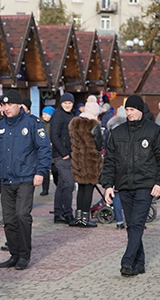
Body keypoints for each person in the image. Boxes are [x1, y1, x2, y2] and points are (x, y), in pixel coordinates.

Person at [99, 94, 160, 277]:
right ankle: (139, 263)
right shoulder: (117, 132)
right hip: (124, 185)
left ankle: (127, 261)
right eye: (127, 110)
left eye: (132, 110)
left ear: (140, 110)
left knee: (137, 223)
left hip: (146, 185)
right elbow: (110, 161)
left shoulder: (154, 131)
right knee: (132, 225)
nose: (129, 113)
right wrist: (108, 185)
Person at [0, 89, 52, 270]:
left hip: (25, 178)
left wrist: (40, 172)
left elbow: (44, 149)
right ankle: (14, 254)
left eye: (9, 105)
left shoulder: (32, 123)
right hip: (6, 180)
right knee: (9, 219)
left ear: (19, 106)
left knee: (22, 215)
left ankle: (24, 255)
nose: (5, 108)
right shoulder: (0, 126)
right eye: (3, 105)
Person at [68, 95, 102, 227]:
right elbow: (99, 144)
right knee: (88, 189)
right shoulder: (94, 125)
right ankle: (85, 218)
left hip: (77, 160)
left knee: (81, 189)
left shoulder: (74, 123)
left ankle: (78, 217)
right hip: (90, 160)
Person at [50, 92, 75, 224]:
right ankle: (68, 213)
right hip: (61, 155)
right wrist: (64, 153)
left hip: (68, 154)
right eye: (65, 103)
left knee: (61, 185)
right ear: (61, 103)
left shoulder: (70, 115)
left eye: (69, 103)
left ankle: (58, 213)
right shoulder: (58, 115)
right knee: (69, 185)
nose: (67, 105)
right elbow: (54, 135)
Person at [106, 106, 127, 229]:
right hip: (128, 166)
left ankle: (119, 221)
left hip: (115, 165)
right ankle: (131, 220)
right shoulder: (129, 130)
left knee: (117, 193)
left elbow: (106, 147)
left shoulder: (111, 130)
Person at [40, 106, 55, 196]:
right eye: (43, 114)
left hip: (53, 149)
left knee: (55, 169)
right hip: (44, 149)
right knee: (45, 170)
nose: (44, 116)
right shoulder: (40, 123)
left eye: (46, 114)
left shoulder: (54, 123)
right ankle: (45, 189)